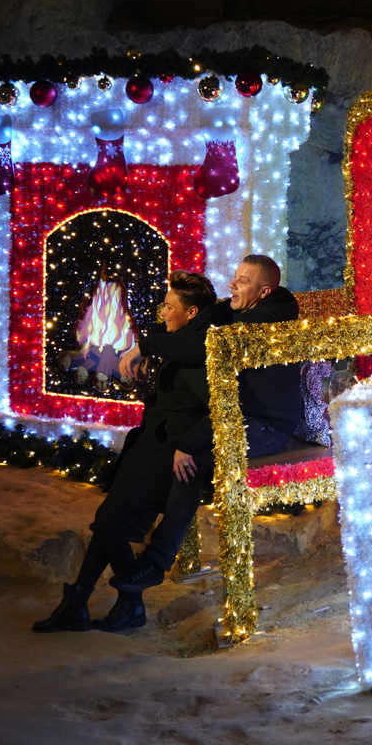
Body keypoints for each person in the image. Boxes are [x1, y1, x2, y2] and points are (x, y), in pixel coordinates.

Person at [33, 270, 217, 634]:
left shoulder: (198, 350)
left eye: (169, 306)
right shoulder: (177, 341)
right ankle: (101, 605)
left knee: (109, 523)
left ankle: (91, 604)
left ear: (192, 312)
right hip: (151, 444)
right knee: (109, 522)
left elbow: (213, 408)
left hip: (170, 454)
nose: (162, 312)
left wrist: (188, 445)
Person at [111, 254, 300, 594]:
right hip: (234, 415)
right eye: (235, 277)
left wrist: (189, 442)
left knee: (190, 460)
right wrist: (146, 345)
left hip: (266, 425)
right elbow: (197, 327)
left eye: (243, 281)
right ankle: (133, 535)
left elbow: (205, 345)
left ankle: (156, 561)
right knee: (169, 444)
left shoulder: (269, 318)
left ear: (264, 292)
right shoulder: (235, 310)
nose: (232, 284)